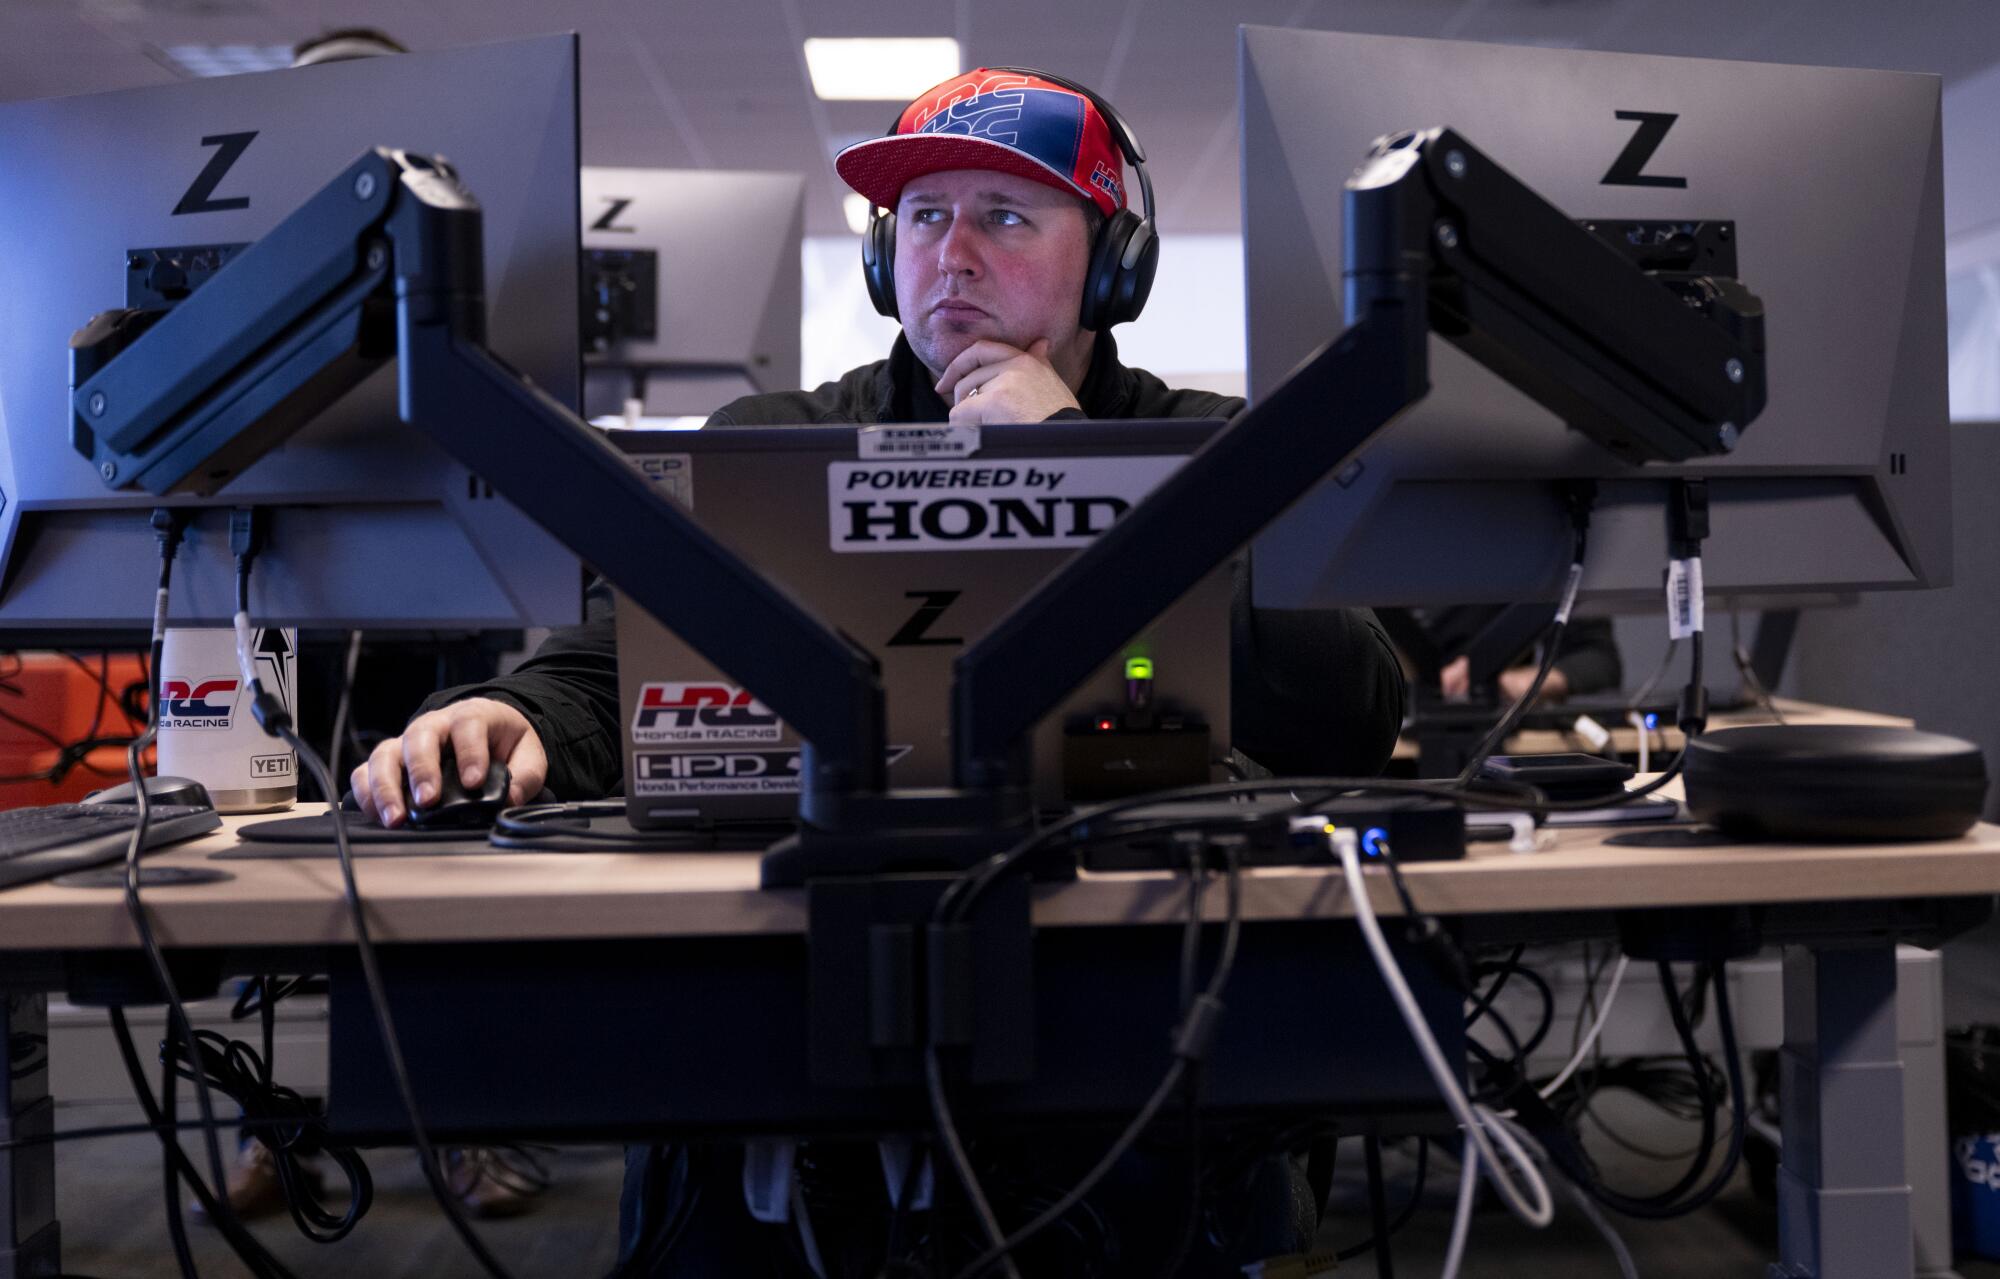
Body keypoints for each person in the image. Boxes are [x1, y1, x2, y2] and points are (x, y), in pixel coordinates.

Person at [351, 68, 1405, 1274]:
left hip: (1128, 1010)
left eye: (1004, 215)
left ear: (1116, 265)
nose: (950, 253)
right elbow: (612, 668)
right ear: (879, 255)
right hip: (798, 1008)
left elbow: (1352, 706)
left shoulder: (1215, 450)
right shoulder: (770, 446)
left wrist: (1069, 463)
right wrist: (508, 711)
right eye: (922, 216)